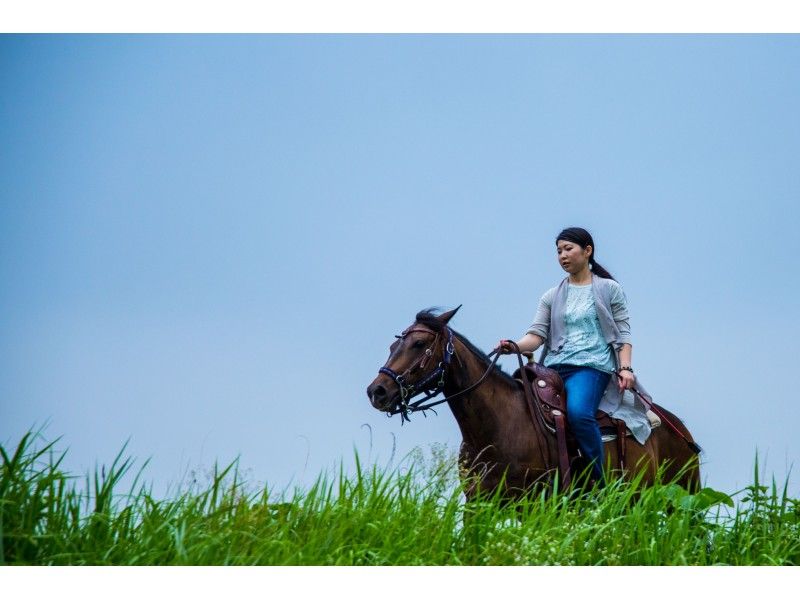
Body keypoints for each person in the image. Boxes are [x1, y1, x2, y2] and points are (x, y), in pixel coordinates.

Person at [495, 227, 651, 485]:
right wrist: (514, 346)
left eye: (568, 249)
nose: (562, 256)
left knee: (578, 413)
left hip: (591, 367)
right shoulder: (551, 295)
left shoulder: (609, 289)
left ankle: (598, 485)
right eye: (558, 251)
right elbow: (536, 336)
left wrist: (626, 368)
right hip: (553, 368)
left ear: (587, 251)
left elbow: (623, 333)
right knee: (522, 411)